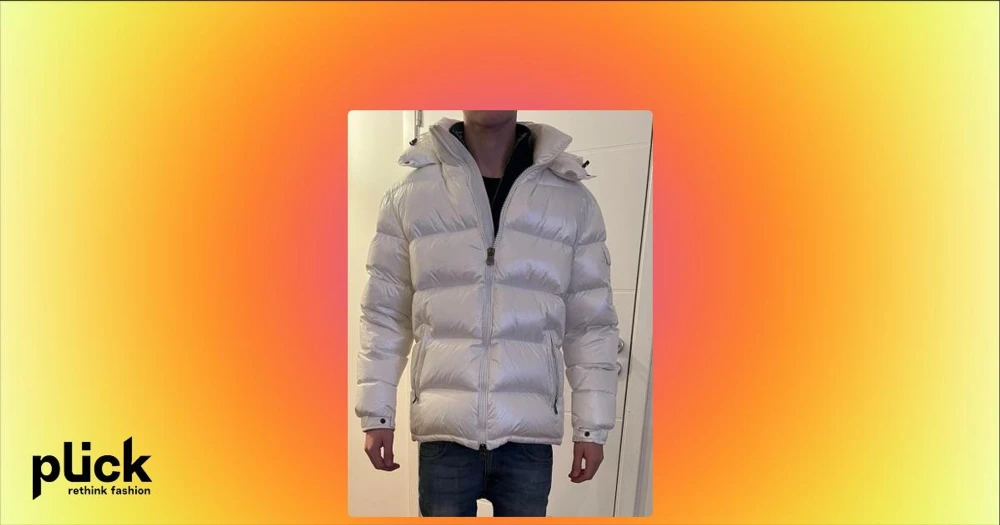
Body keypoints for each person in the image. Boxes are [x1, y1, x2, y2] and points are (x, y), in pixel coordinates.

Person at [355, 111, 620, 517]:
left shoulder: (572, 201)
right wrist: (376, 413)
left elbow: (591, 324)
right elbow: (385, 315)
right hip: (445, 434)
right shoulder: (410, 195)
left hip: (527, 436)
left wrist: (592, 426)